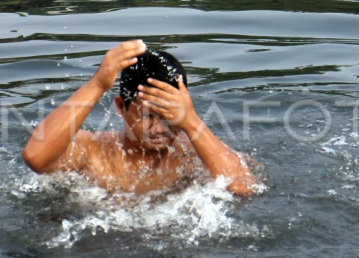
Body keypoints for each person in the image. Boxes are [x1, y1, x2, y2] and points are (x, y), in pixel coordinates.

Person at [22, 40, 262, 196]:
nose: (159, 128)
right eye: (147, 116)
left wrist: (191, 121)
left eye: (169, 115)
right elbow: (36, 157)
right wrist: (96, 85)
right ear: (120, 106)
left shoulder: (192, 154)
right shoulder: (92, 152)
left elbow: (243, 188)